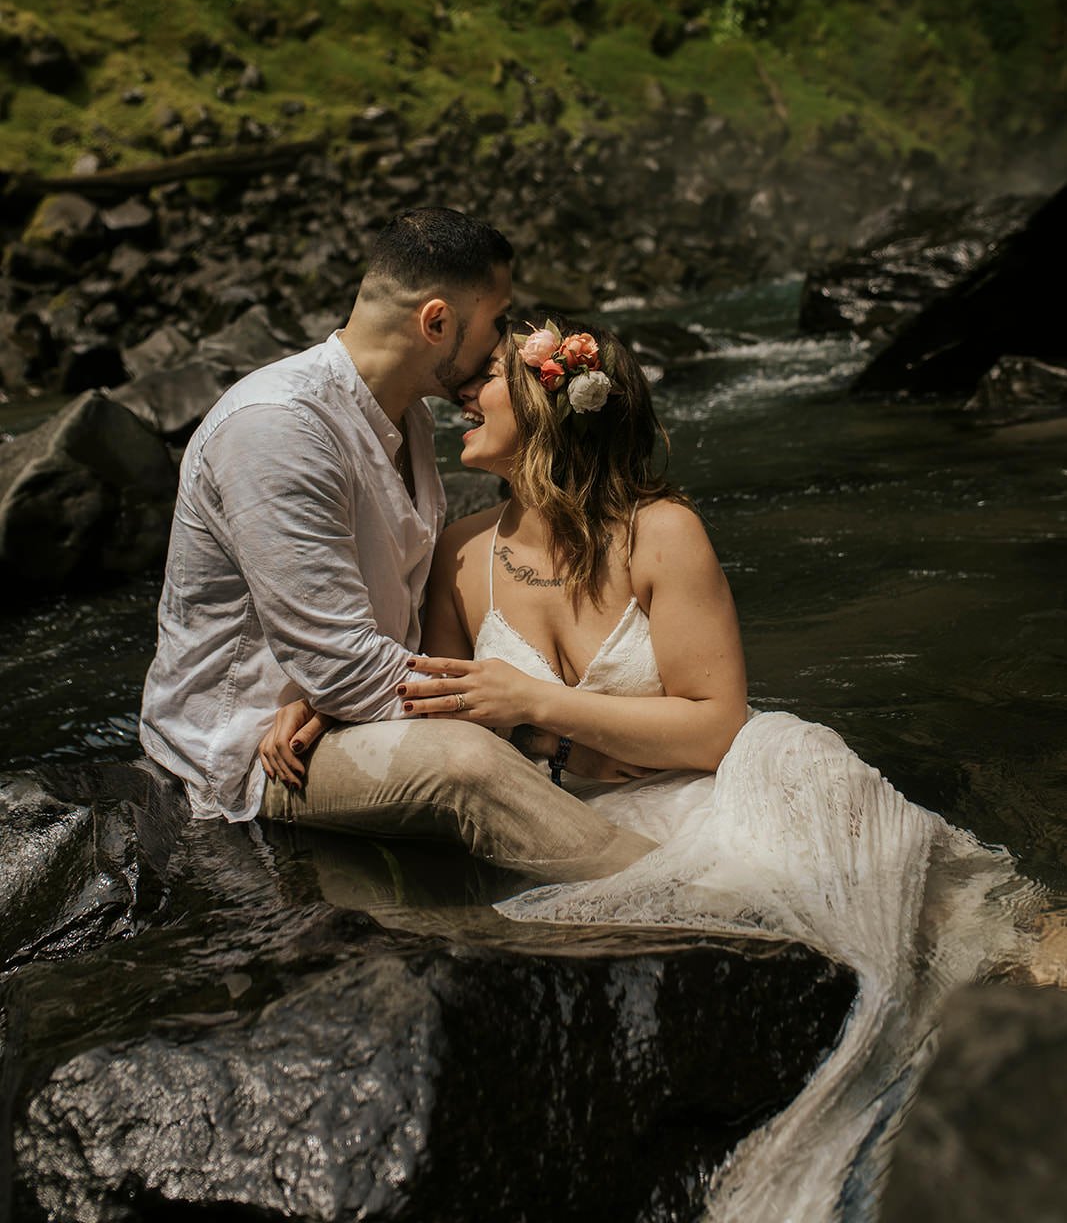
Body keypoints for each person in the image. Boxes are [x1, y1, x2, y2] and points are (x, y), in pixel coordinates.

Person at [271, 315, 1044, 1219]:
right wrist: (329, 699)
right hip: (587, 817)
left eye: (486, 378)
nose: (461, 394)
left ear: (548, 407)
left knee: (948, 926)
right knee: (808, 943)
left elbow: (713, 728)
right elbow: (438, 700)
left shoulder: (661, 532)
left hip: (729, 786)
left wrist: (537, 706)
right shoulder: (461, 551)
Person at [139, 211, 654, 883]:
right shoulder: (277, 430)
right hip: (253, 750)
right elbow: (345, 669)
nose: (505, 345)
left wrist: (328, 700)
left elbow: (367, 643)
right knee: (465, 766)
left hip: (331, 713)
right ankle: (682, 904)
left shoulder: (406, 416)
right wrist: (550, 738)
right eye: (497, 320)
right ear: (436, 322)